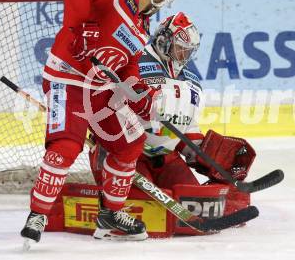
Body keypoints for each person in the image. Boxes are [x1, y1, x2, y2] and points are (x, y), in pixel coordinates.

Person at [20, 0, 180, 244]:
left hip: (99, 88)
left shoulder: (141, 25)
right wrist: (81, 26)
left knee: (130, 142)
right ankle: (38, 214)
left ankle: (111, 216)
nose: (162, 5)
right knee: (66, 145)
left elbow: (127, 65)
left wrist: (138, 93)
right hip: (66, 79)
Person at [88, 12, 256, 235]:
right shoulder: (133, 62)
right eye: (180, 48)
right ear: (164, 41)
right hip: (126, 153)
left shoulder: (191, 80)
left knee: (196, 201)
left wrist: (200, 152)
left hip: (166, 157)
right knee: (141, 204)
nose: (184, 55)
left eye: (188, 51)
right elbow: (103, 103)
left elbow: (188, 127)